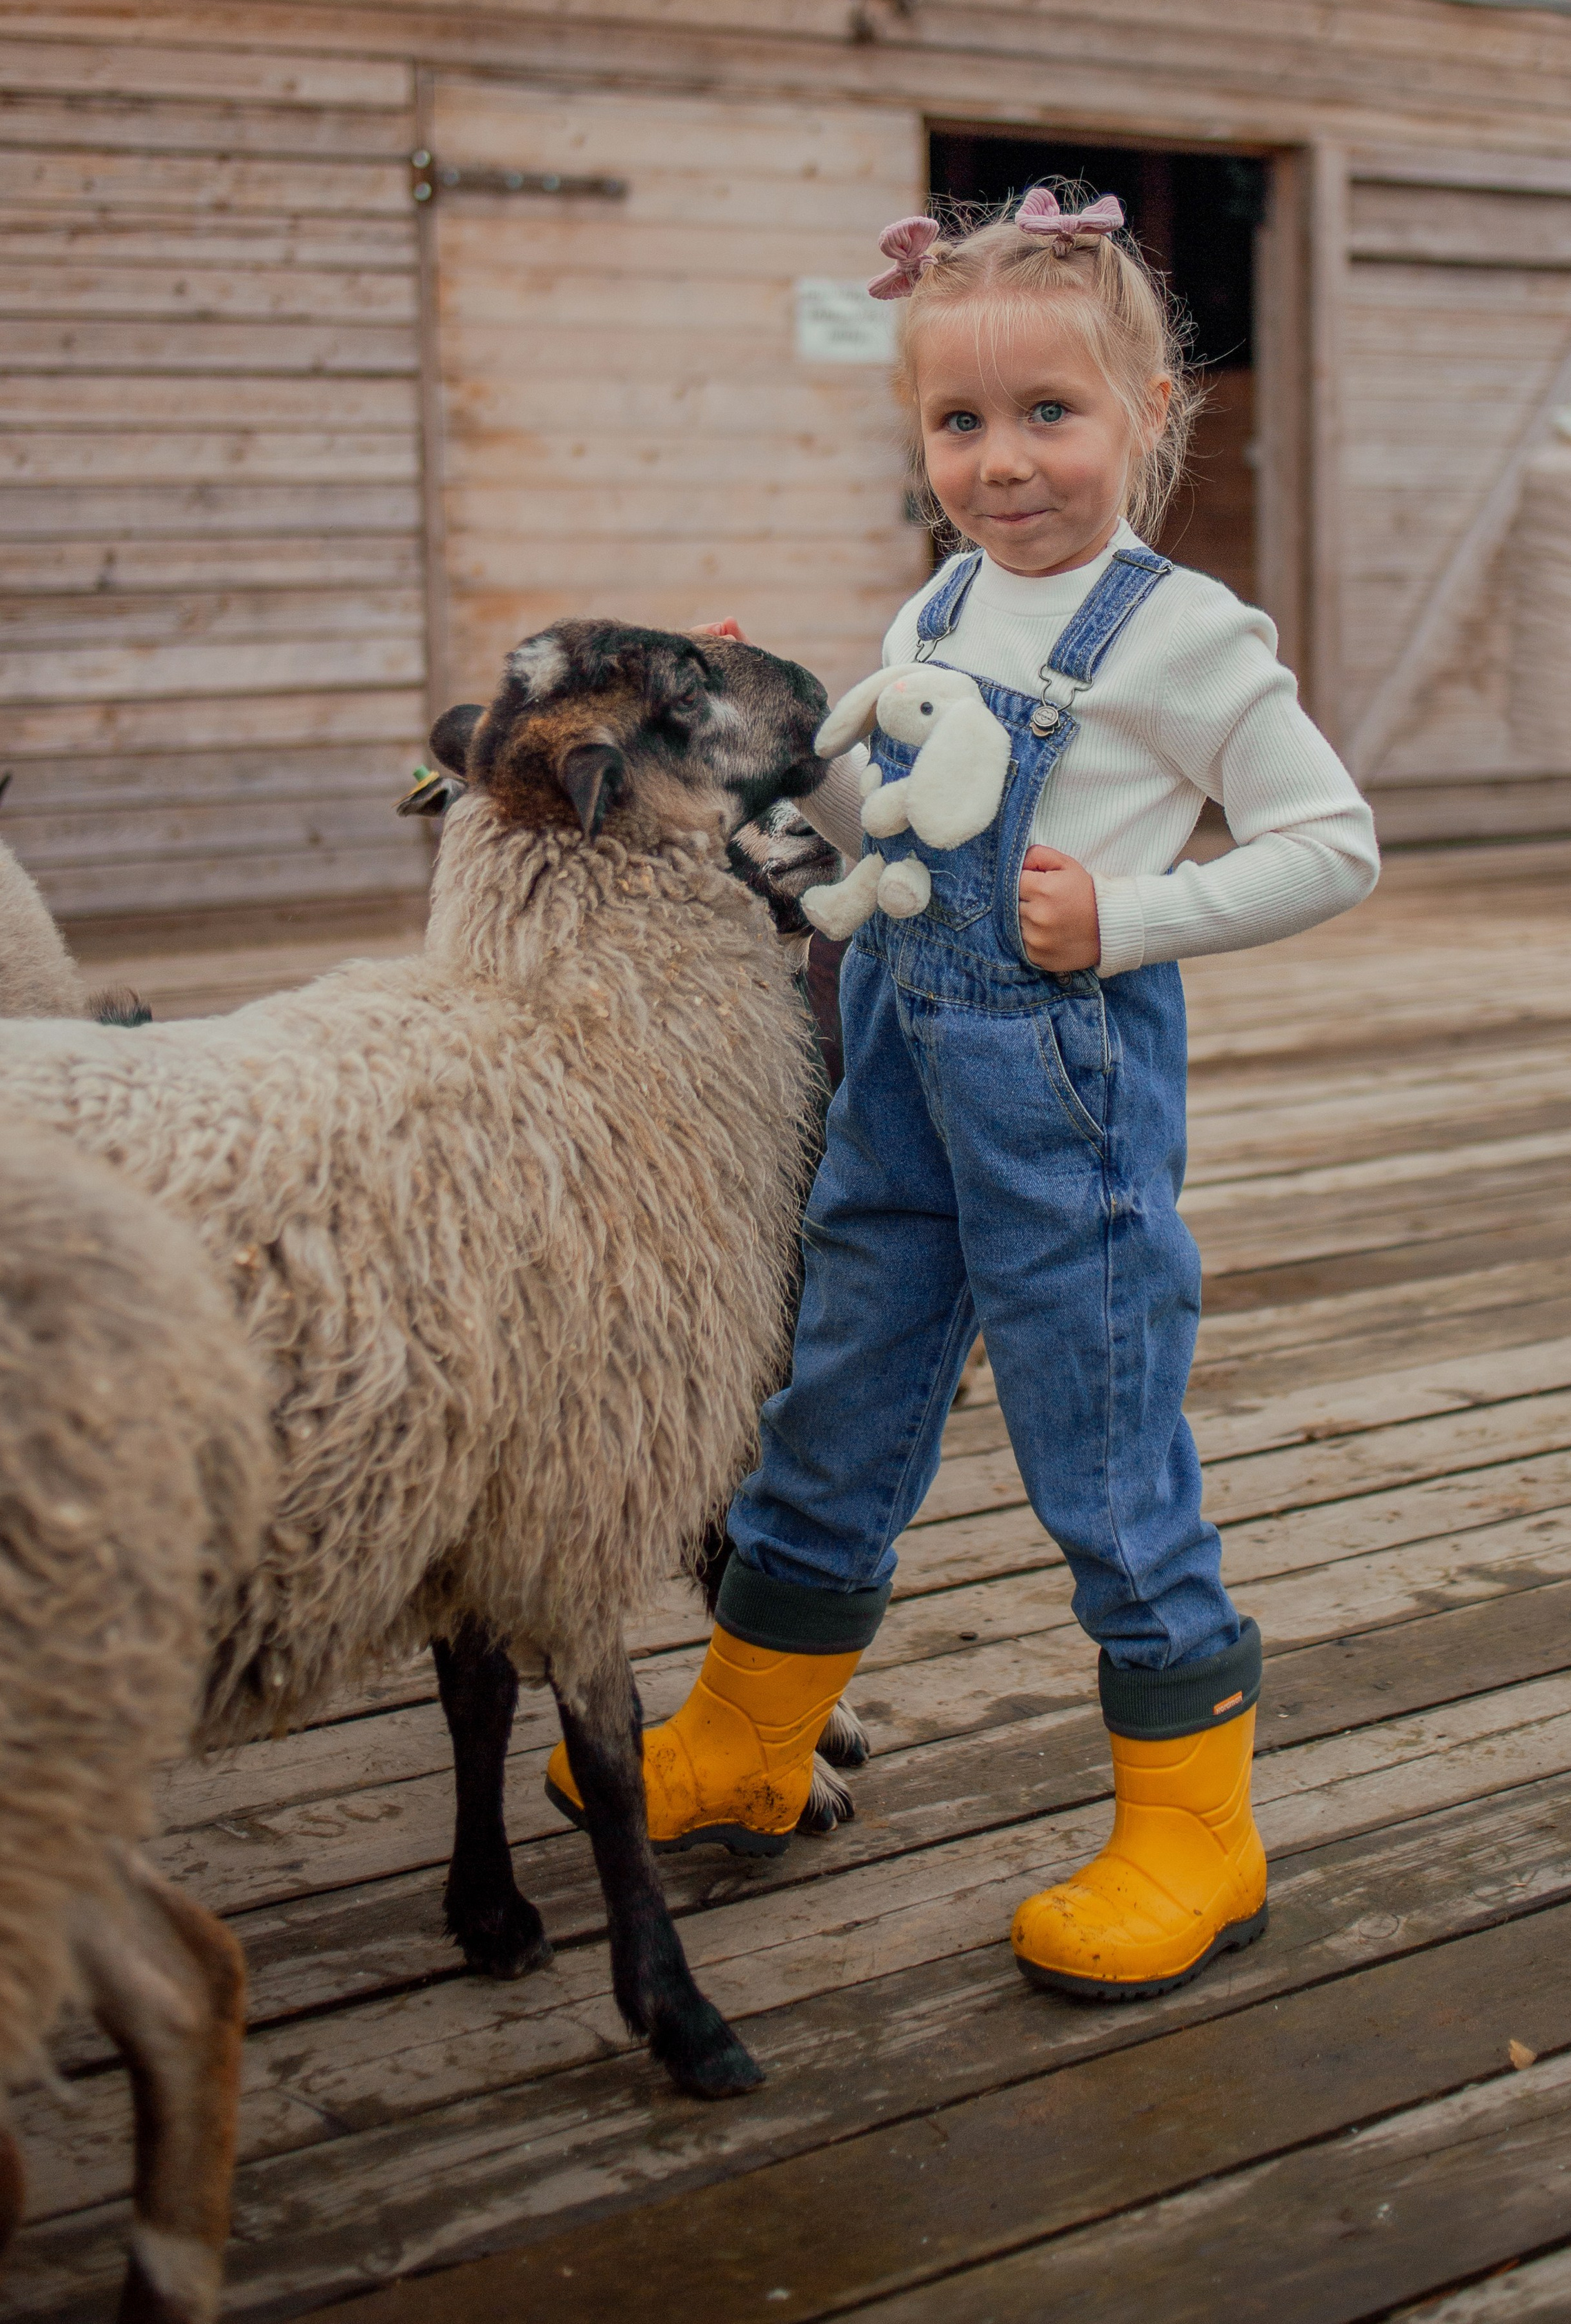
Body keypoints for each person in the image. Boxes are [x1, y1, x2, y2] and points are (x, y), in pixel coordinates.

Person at [548, 186, 1380, 1998]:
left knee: (1099, 1436)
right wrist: (775, 749)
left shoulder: (1186, 635)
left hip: (1066, 1086)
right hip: (903, 1058)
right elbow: (897, 827)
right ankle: (753, 1731)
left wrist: (1130, 914)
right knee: (840, 1383)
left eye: (1049, 413)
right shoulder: (937, 603)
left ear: (1149, 414)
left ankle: (1197, 1829)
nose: (1002, 462)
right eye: (959, 421)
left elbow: (1334, 843)